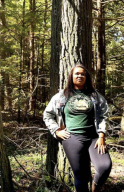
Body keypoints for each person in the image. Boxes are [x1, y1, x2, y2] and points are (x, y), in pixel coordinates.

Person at [43, 63, 112, 192]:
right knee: (80, 174)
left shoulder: (95, 96)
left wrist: (102, 135)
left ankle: (95, 187)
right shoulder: (61, 96)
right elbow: (47, 115)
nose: (80, 76)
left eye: (83, 74)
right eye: (77, 74)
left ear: (86, 77)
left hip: (93, 138)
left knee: (105, 166)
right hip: (72, 138)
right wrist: (56, 130)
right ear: (71, 76)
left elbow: (104, 115)